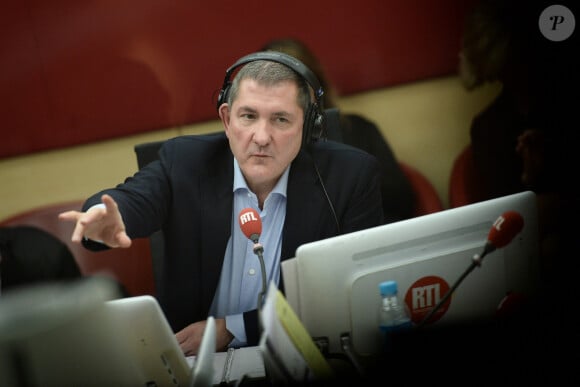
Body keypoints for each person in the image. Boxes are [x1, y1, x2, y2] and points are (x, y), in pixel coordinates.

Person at [59, 51, 384, 356]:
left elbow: (350, 292)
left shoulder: (350, 177)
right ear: (227, 120)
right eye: (248, 116)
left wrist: (232, 329)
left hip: (303, 352)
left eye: (281, 120)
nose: (261, 136)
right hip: (195, 361)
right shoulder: (184, 163)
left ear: (308, 126)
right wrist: (105, 216)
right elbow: (134, 199)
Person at [260, 38, 416, 222]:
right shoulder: (259, 145)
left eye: (294, 84)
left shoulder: (359, 129)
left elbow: (402, 203)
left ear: (317, 87)